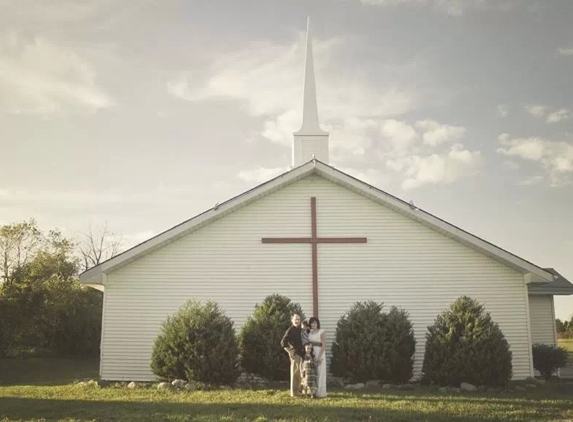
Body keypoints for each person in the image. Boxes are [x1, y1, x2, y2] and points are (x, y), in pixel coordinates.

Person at [281, 314, 304, 397]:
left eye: (298, 319)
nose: (297, 321)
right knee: (294, 373)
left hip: (300, 354)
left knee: (299, 373)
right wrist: (290, 352)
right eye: (295, 319)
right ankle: (294, 393)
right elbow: (283, 343)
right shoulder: (290, 330)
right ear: (292, 320)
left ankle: (298, 391)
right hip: (295, 354)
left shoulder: (298, 330)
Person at [308, 317, 327, 397]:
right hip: (312, 353)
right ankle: (313, 391)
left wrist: (319, 357)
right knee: (313, 372)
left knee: (320, 372)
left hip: (320, 352)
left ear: (317, 323)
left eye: (315, 323)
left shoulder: (321, 332)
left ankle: (320, 392)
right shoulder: (310, 333)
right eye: (312, 323)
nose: (313, 324)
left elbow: (323, 345)